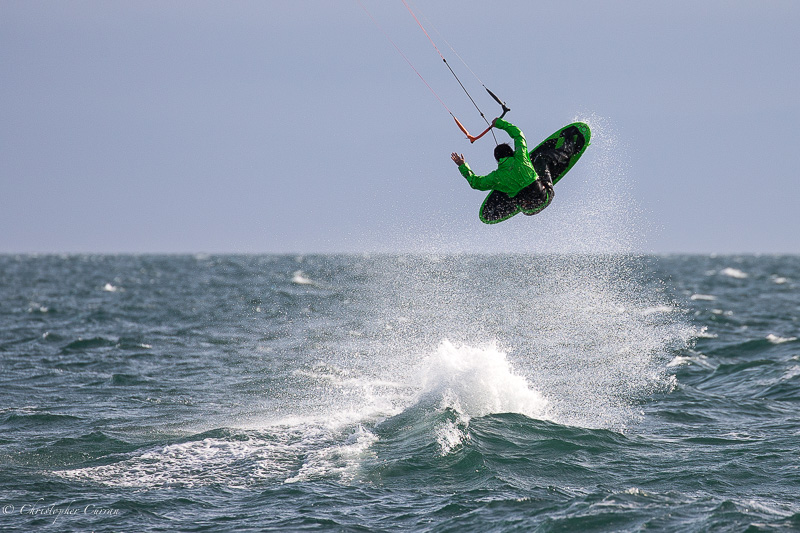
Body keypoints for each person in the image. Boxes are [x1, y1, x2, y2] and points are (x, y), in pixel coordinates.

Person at [451, 117, 578, 215]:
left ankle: (512, 198)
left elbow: (475, 183)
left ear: (497, 160)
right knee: (540, 158)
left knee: (502, 188)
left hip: (527, 211)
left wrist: (463, 166)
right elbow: (518, 134)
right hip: (545, 197)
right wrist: (500, 123)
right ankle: (569, 148)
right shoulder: (520, 157)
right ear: (512, 153)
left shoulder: (496, 177)